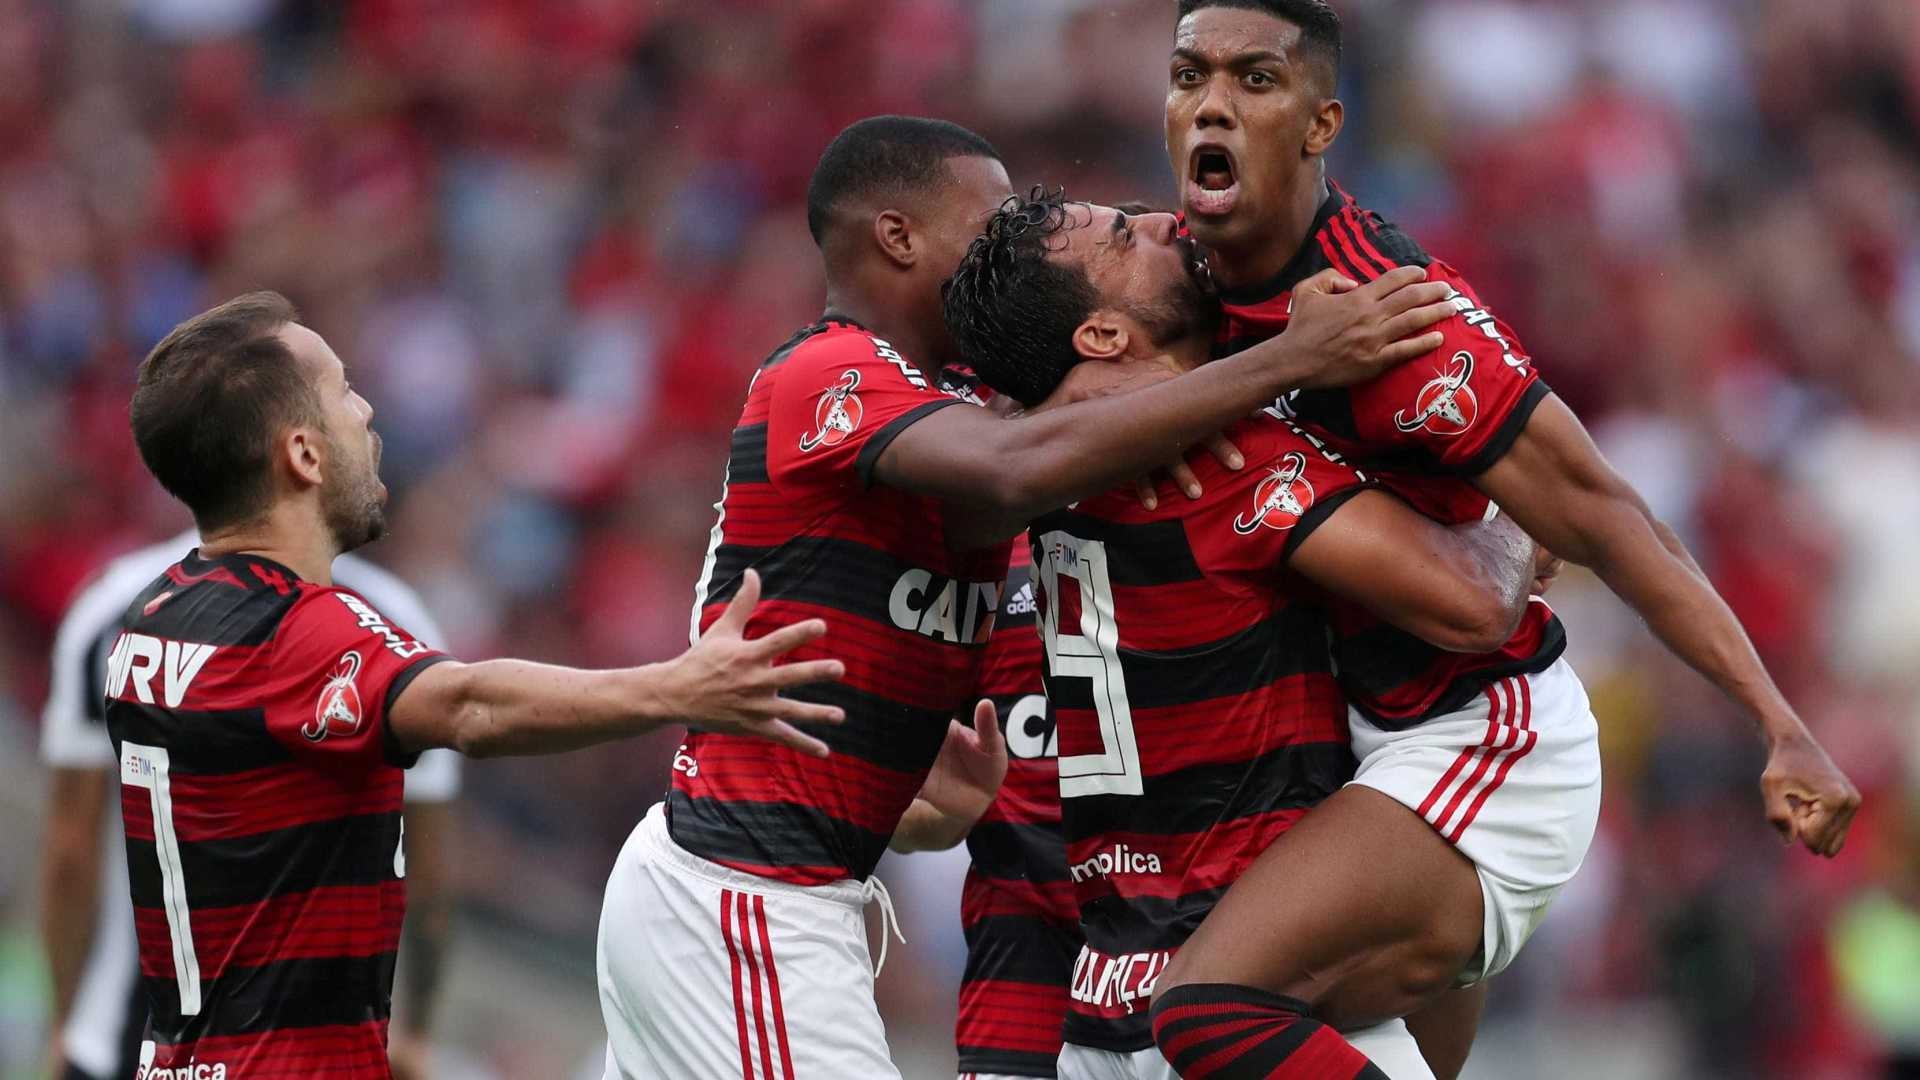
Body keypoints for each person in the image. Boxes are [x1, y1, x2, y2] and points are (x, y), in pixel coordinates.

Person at [594, 114, 1463, 1080]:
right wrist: (1287, 362)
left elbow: (1048, 430)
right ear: (900, 237)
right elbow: (1013, 467)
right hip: (743, 896)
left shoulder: (954, 399)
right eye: (995, 218)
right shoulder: (827, 370)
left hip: (791, 890)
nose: (1017, 241)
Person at [1143, 2, 1860, 1077]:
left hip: (1473, 739)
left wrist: (1777, 722)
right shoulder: (1160, 277)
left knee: (1201, 1012)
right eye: (1190, 74)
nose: (1212, 103)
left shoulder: (1400, 321)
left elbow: (1608, 517)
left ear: (1321, 122)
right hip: (1335, 749)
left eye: (1254, 80)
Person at [108, 291, 847, 1078]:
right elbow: (466, 705)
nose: (365, 413)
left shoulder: (155, 617)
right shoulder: (297, 630)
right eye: (342, 391)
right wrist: (679, 688)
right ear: (304, 455)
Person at [942, 190, 1558, 1080]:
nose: (1162, 221)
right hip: (1253, 1000)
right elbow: (1474, 604)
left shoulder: (1030, 467)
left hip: (1105, 1005)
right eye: (1126, 235)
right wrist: (1519, 516)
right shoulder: (1227, 461)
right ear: (1103, 337)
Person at [39, 530, 462, 1080]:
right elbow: (426, 875)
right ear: (300, 456)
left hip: (126, 1040)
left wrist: (63, 1023)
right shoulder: (396, 628)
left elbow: (71, 852)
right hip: (306, 1054)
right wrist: (415, 1032)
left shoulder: (116, 607)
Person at [888, 539, 1080, 1080]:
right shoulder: (972, 553)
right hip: (1024, 958)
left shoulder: (1211, 510)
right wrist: (941, 816)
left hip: (1194, 943)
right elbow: (901, 819)